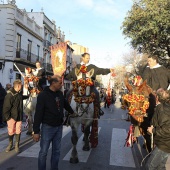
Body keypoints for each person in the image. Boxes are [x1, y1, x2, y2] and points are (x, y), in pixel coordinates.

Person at [32, 75, 75, 170]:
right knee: (43, 152)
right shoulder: (43, 95)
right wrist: (36, 131)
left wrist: (73, 113)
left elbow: (65, 104)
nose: (62, 84)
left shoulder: (60, 94)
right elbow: (38, 114)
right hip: (48, 128)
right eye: (60, 83)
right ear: (53, 83)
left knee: (57, 151)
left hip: (59, 127)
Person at [140, 55, 170, 153]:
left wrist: (166, 92)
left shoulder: (164, 70)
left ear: (155, 60)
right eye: (148, 60)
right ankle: (148, 140)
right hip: (150, 98)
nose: (148, 62)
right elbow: (143, 83)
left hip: (163, 98)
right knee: (148, 119)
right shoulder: (147, 70)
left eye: (150, 60)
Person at [145, 88, 170, 170]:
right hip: (165, 144)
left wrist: (153, 130)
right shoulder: (163, 107)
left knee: (149, 167)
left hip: (163, 145)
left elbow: (167, 129)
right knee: (160, 167)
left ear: (157, 98)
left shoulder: (162, 109)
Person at [2, 79, 29, 153]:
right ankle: (10, 144)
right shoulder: (9, 95)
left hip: (19, 116)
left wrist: (28, 96)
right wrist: (7, 117)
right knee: (11, 131)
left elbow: (21, 97)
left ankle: (17, 145)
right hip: (11, 117)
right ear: (18, 86)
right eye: (21, 85)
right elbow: (6, 107)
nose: (22, 87)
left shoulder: (19, 93)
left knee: (18, 130)